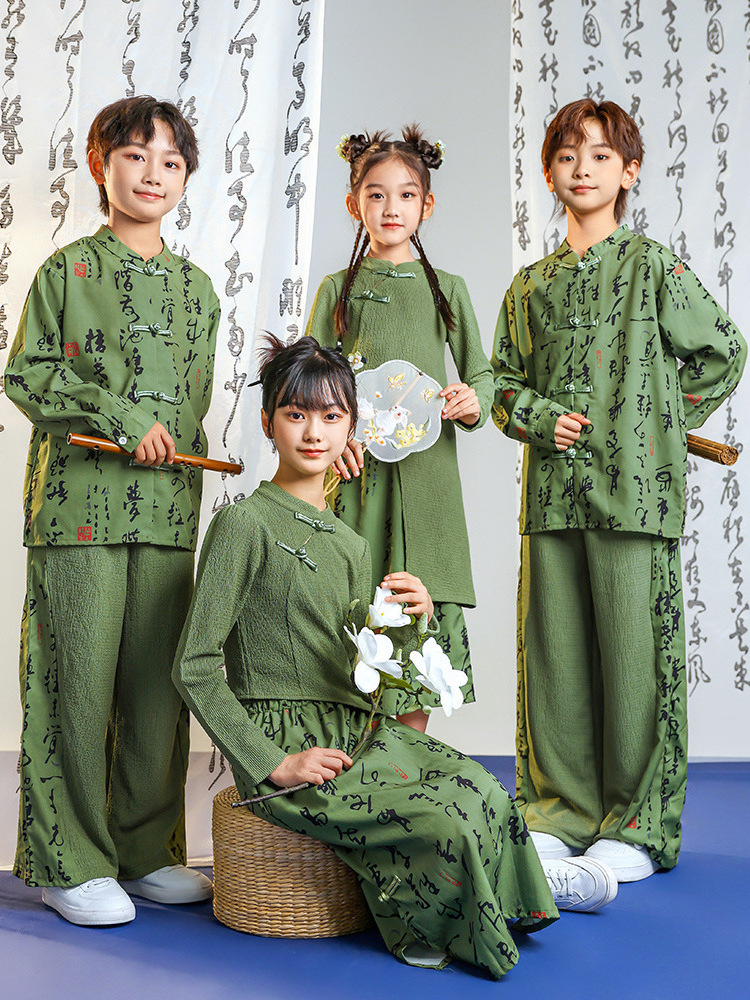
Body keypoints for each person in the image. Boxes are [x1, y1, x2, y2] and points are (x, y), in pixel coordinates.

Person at [173, 334, 617, 980]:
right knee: (438, 822)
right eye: (296, 413)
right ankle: (456, 913)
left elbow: (370, 668)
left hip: (359, 731)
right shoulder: (243, 525)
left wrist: (414, 621)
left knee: (483, 793)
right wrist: (274, 762)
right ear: (269, 421)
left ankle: (529, 890)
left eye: (331, 416)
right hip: (287, 740)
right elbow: (191, 665)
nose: (314, 432)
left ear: (353, 426)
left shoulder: (350, 543)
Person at [490, 98, 747, 882]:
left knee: (637, 664)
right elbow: (501, 385)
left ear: (628, 172)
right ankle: (557, 813)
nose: (581, 169)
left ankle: (636, 828)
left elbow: (723, 352)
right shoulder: (529, 287)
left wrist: (660, 427)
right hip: (552, 501)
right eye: (567, 156)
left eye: (599, 156)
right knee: (556, 661)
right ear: (547, 172)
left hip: (635, 498)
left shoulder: (652, 267)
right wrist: (536, 415)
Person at [4, 95, 220, 925]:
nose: (154, 174)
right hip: (78, 514)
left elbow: (193, 405)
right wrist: (125, 421)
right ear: (103, 165)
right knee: (76, 689)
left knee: (156, 693)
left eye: (171, 162)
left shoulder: (198, 290)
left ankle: (143, 850)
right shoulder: (67, 271)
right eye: (136, 156)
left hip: (167, 518)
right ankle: (69, 861)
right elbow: (26, 376)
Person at [305, 127, 494, 731]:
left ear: (426, 206)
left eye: (406, 196)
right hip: (358, 474)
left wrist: (470, 401)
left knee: (418, 615)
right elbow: (309, 383)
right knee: (353, 607)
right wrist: (334, 440)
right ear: (353, 203)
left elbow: (484, 377)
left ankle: (405, 771)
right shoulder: (339, 289)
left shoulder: (449, 292)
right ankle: (349, 771)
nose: (391, 209)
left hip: (428, 478)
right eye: (376, 195)